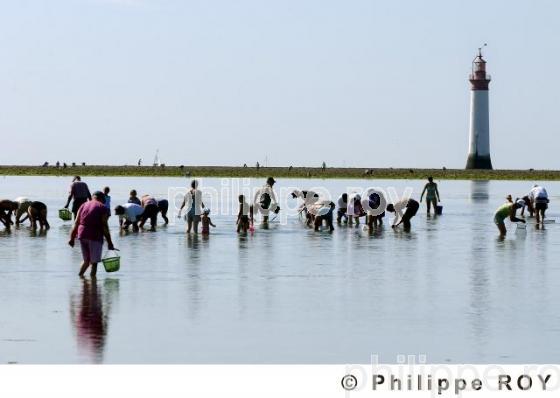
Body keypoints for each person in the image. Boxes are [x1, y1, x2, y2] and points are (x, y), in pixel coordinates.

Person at [69, 191, 116, 277]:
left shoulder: (83, 205)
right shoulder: (102, 207)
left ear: (93, 197)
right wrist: (109, 242)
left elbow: (76, 222)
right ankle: (93, 284)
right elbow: (105, 226)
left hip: (82, 234)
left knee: (86, 260)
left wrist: (71, 238)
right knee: (94, 263)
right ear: (102, 199)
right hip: (95, 236)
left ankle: (80, 278)